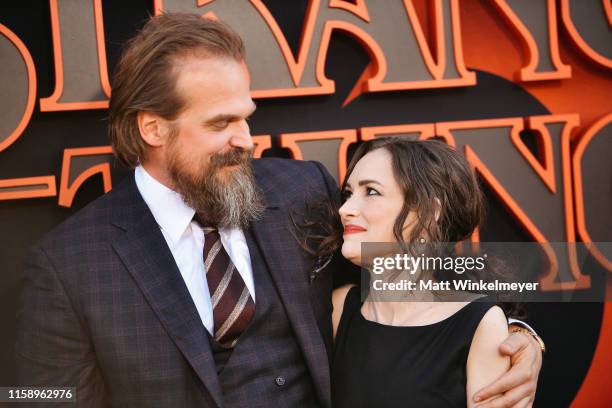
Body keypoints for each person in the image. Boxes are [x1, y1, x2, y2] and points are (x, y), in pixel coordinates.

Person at [16, 12, 542, 408]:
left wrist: (513, 332)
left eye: (246, 117)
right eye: (221, 124)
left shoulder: (301, 190)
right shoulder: (68, 266)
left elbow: (410, 272)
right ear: (152, 128)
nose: (246, 139)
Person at [330, 138, 542, 407]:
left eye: (371, 192)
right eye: (348, 194)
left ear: (429, 212)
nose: (345, 209)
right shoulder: (339, 309)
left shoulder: (481, 324)